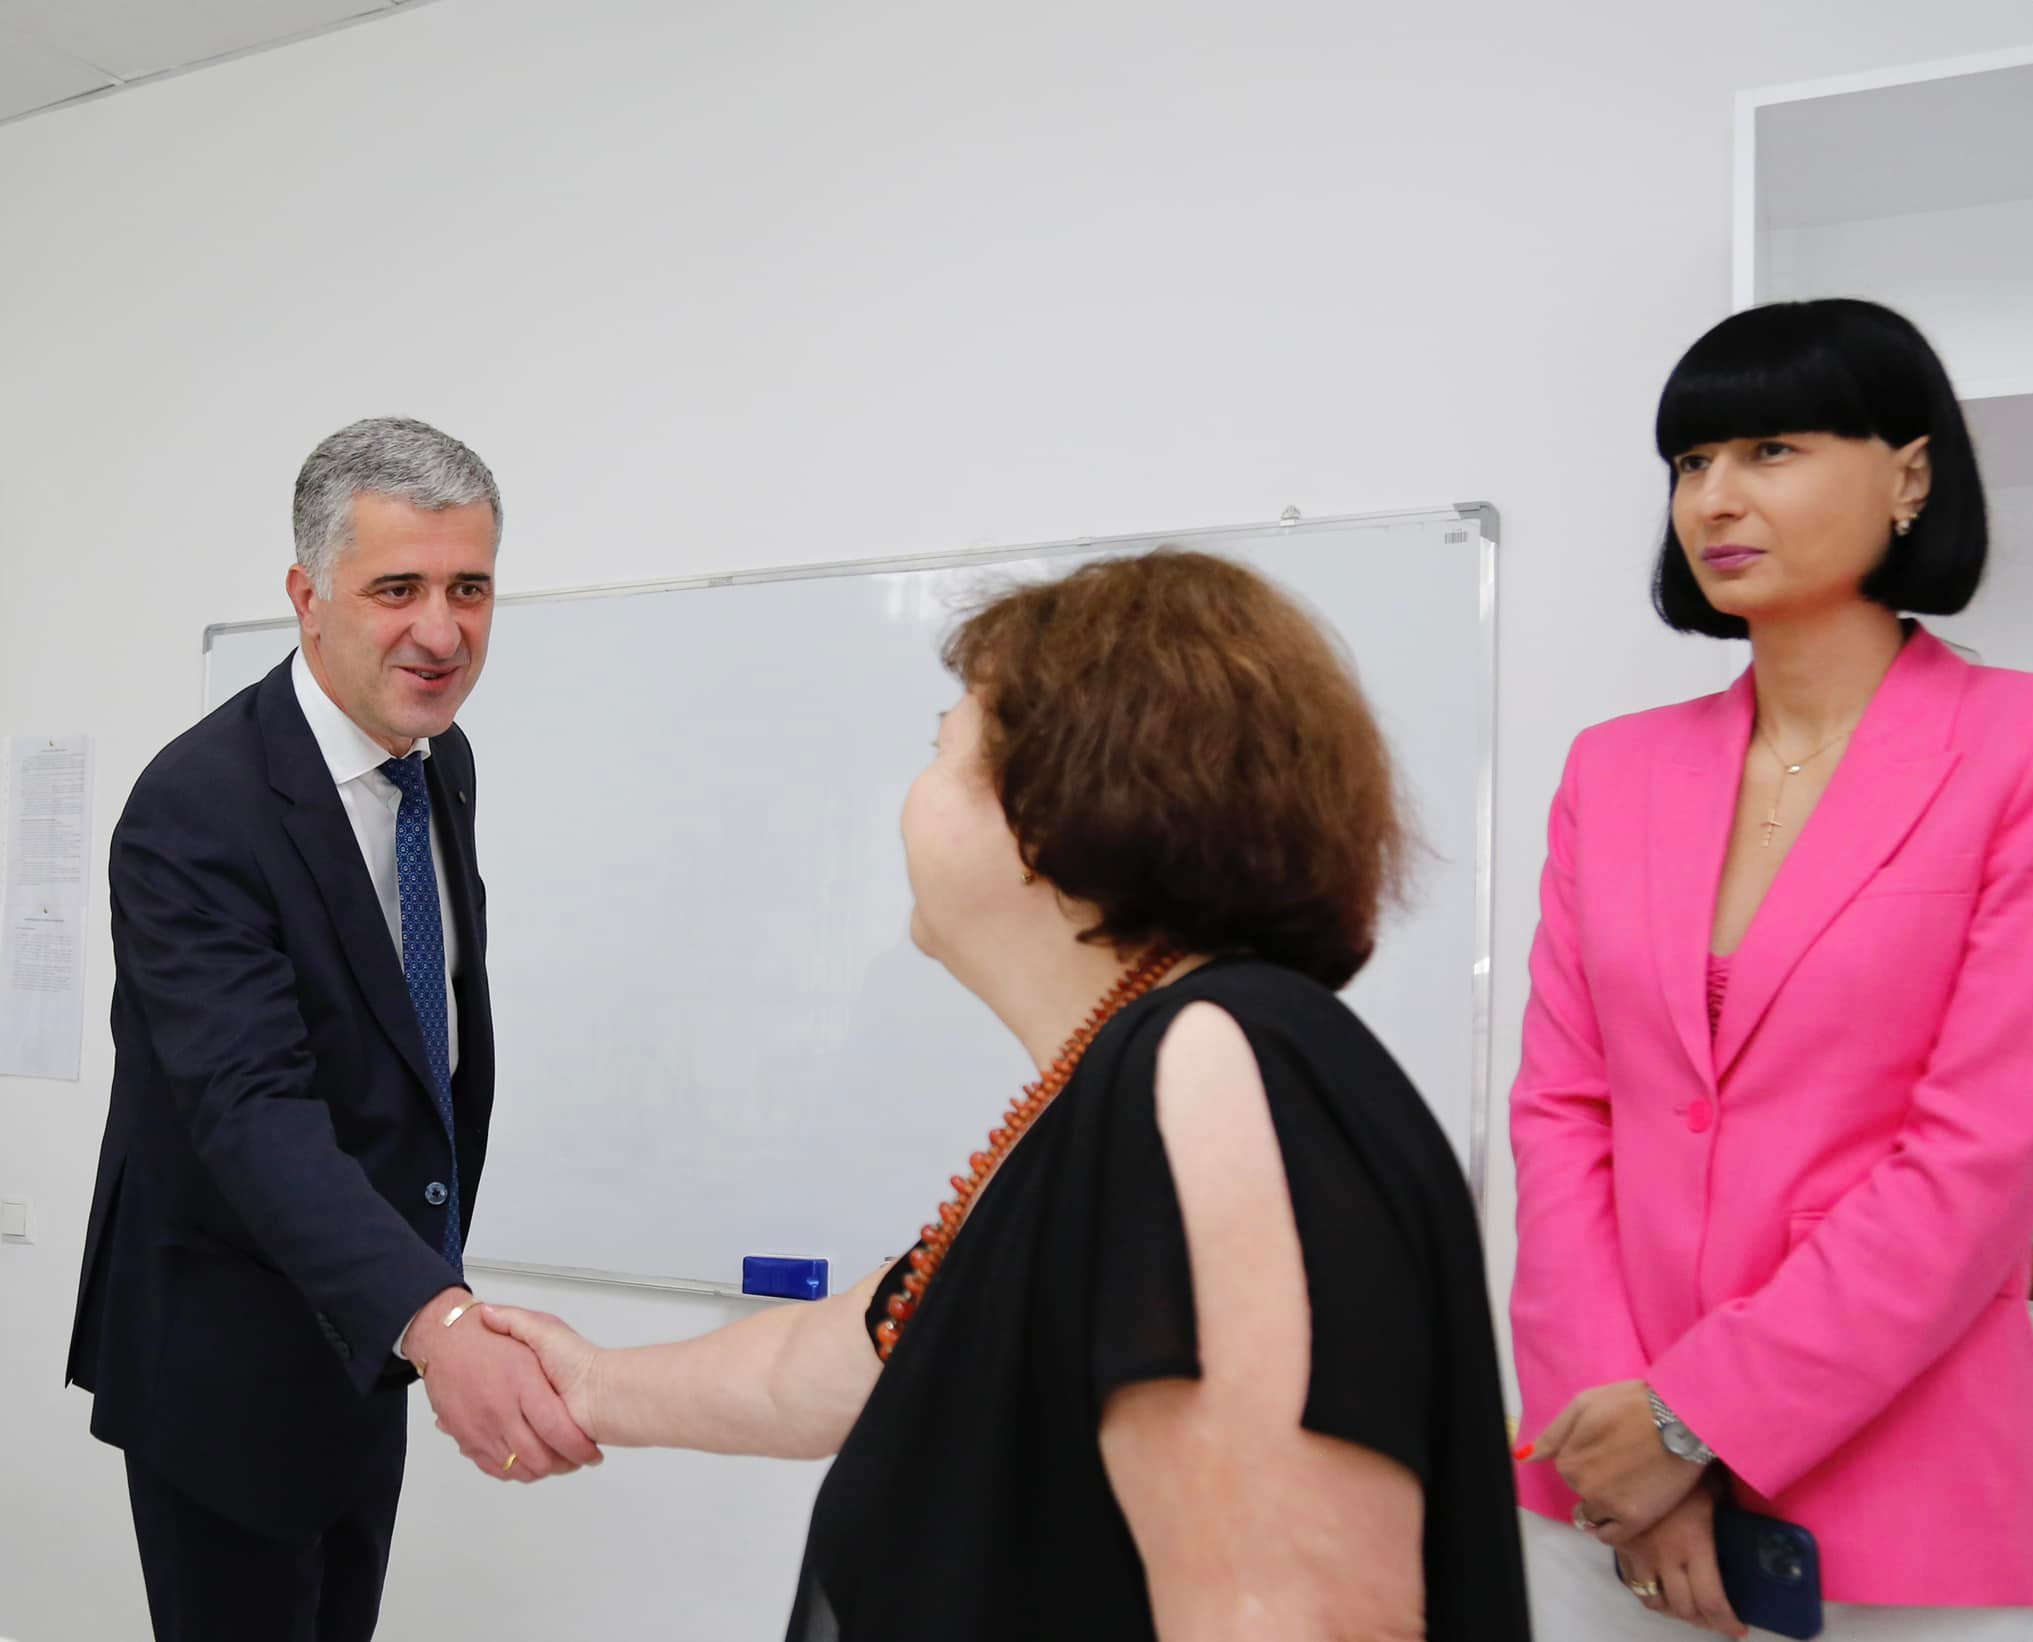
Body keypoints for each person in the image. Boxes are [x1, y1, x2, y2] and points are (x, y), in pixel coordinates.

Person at [480, 550, 1530, 1640]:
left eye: (942, 750)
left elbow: (1294, 1614)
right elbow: (828, 1362)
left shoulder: (1215, 1062)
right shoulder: (1123, 1077)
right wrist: (589, 1385)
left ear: (1051, 810)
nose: (911, 797)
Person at [1510, 299, 2033, 1639]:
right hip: (1605, 1506)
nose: (1714, 498)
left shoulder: (2023, 749)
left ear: (1909, 476)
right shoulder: (1612, 770)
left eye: (1771, 448)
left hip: (1900, 1506)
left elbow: (1977, 1158)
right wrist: (1619, 1445)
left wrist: (1693, 1418)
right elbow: (1562, 1113)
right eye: (1690, 461)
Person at [67, 417, 600, 1642]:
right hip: (228, 1359)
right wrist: (438, 1317)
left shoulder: (436, 761)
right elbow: (251, 1108)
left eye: (470, 588)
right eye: (397, 588)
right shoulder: (195, 807)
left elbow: (412, 1035)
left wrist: (415, 1306)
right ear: (307, 598)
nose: (442, 632)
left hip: (371, 1330)